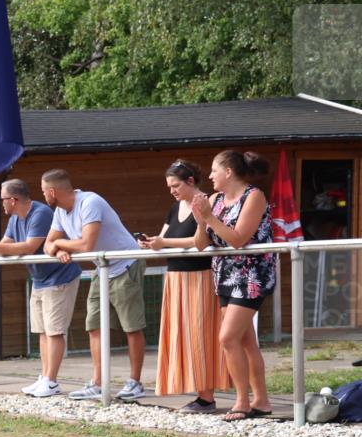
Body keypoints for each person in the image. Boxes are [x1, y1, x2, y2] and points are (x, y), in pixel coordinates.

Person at [42, 169, 146, 401]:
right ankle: (98, 382)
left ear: (52, 191)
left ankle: (135, 382)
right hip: (102, 267)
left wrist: (60, 243)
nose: (43, 196)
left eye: (43, 192)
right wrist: (58, 249)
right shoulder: (60, 211)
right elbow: (47, 245)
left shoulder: (90, 202)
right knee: (94, 325)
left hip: (125, 264)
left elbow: (86, 244)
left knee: (131, 326)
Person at [139, 159, 230, 412]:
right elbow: (165, 238)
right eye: (169, 186)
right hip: (176, 276)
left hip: (199, 276)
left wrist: (163, 243)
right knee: (182, 335)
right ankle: (197, 391)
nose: (172, 190)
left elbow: (201, 240)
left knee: (200, 334)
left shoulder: (207, 201)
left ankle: (207, 396)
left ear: (190, 181)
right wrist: (152, 243)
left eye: (176, 185)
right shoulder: (175, 206)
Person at [0, 179, 81, 397]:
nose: (1, 203)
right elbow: (6, 243)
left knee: (54, 331)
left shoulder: (40, 213)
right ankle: (45, 377)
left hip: (59, 276)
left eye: (3, 199)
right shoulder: (15, 218)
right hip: (39, 279)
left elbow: (29, 246)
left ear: (13, 200)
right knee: (42, 331)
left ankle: (52, 381)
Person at [192, 150, 276, 422]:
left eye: (214, 170)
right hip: (225, 275)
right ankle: (261, 401)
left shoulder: (254, 196)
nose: (210, 176)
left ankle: (242, 401)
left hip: (251, 275)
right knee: (244, 340)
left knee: (227, 338)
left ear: (228, 172)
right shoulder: (214, 199)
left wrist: (210, 218)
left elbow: (238, 239)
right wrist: (200, 220)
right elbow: (202, 244)